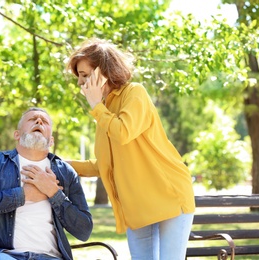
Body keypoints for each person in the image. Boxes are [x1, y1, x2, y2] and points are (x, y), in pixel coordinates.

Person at [66, 38, 195, 260]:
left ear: (103, 71)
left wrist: (97, 107)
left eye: (85, 75)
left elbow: (123, 132)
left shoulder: (134, 93)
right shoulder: (104, 109)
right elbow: (105, 164)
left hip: (170, 196)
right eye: (79, 76)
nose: (80, 83)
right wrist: (61, 163)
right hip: (137, 207)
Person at [0, 107, 93, 260]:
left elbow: (84, 230)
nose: (39, 121)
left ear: (51, 140)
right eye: (32, 119)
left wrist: (54, 193)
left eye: (44, 121)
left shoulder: (66, 172)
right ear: (17, 135)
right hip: (3, 255)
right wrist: (23, 195)